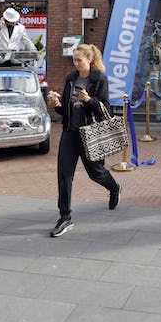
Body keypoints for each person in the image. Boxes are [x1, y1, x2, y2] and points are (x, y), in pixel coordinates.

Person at [46, 43, 121, 237]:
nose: (76, 63)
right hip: (70, 133)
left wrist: (89, 100)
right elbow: (65, 111)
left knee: (96, 173)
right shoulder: (71, 78)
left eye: (79, 59)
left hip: (90, 135)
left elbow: (105, 110)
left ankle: (114, 187)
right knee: (64, 176)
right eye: (74, 59)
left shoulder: (99, 80)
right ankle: (65, 217)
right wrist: (57, 104)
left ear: (89, 59)